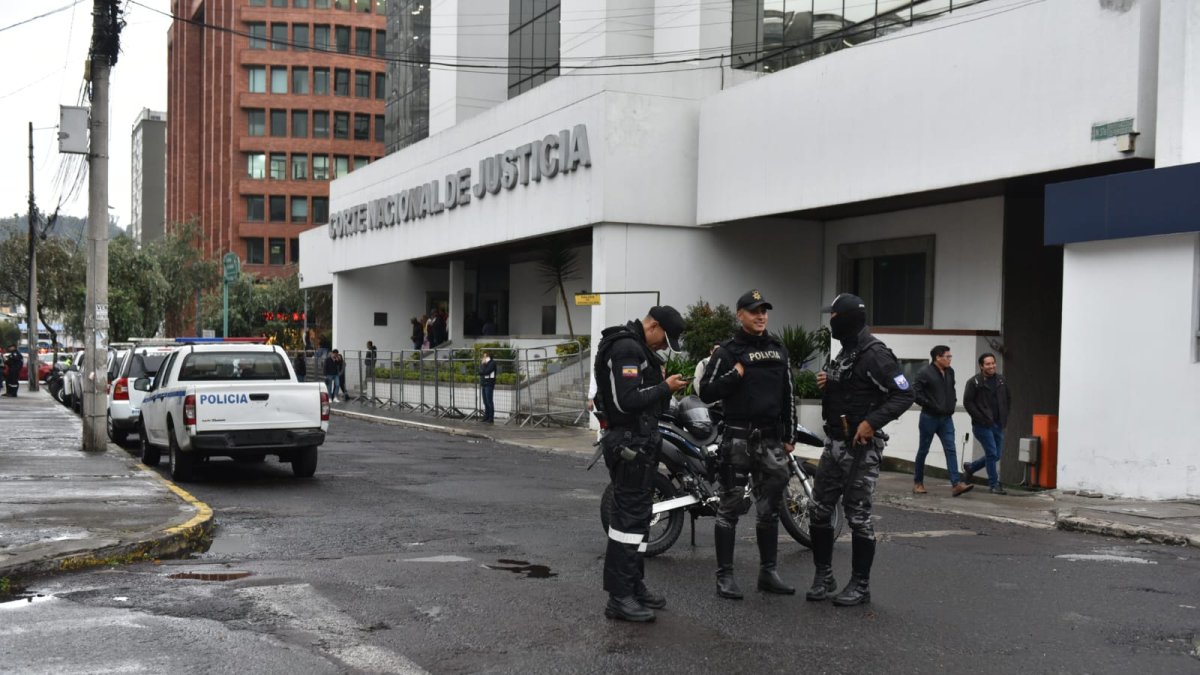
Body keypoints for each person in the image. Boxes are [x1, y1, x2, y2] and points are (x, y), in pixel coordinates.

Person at [809, 293, 914, 607]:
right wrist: (830, 383)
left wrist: (871, 422)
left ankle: (860, 585)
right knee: (818, 509)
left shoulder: (875, 354)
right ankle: (823, 575)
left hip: (861, 448)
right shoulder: (845, 352)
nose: (830, 322)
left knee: (858, 517)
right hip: (834, 443)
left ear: (847, 319)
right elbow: (852, 386)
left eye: (834, 316)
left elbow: (904, 394)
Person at [697, 289, 797, 599]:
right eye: (754, 311)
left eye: (764, 310)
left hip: (771, 440)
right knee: (729, 508)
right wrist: (734, 376)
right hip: (738, 438)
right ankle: (724, 577)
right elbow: (705, 391)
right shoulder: (727, 352)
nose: (761, 316)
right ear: (739, 315)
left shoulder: (778, 349)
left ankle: (768, 573)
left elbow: (788, 395)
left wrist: (790, 436)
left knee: (769, 509)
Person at [593, 305, 688, 622]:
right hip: (628, 443)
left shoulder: (638, 348)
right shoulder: (626, 348)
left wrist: (661, 385)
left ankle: (633, 585)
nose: (664, 346)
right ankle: (619, 597)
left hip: (640, 443)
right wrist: (665, 387)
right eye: (665, 339)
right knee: (627, 523)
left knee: (639, 518)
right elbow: (627, 401)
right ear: (654, 326)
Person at [912, 345, 973, 497]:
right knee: (923, 450)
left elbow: (951, 389)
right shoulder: (924, 372)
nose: (950, 359)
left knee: (951, 449)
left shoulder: (950, 371)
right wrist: (929, 404)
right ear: (938, 358)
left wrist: (952, 402)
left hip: (946, 418)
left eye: (950, 356)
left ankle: (956, 484)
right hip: (929, 417)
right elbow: (915, 392)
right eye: (947, 356)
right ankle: (918, 483)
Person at [963, 353, 1012, 495]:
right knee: (991, 453)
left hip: (998, 424)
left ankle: (971, 468)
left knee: (996, 455)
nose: (991, 366)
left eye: (993, 363)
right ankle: (994, 484)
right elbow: (968, 403)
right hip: (982, 425)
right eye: (988, 364)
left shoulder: (1001, 380)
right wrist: (980, 418)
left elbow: (1008, 399)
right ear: (981, 366)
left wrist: (1005, 416)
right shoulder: (974, 382)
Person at [478, 350, 497, 423]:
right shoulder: (483, 363)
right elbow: (480, 371)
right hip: (484, 383)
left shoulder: (492, 363)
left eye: (485, 356)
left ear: (488, 357)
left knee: (489, 401)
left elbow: (486, 371)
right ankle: (486, 416)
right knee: (485, 401)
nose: (483, 357)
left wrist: (483, 367)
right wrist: (483, 366)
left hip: (489, 384)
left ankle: (491, 418)